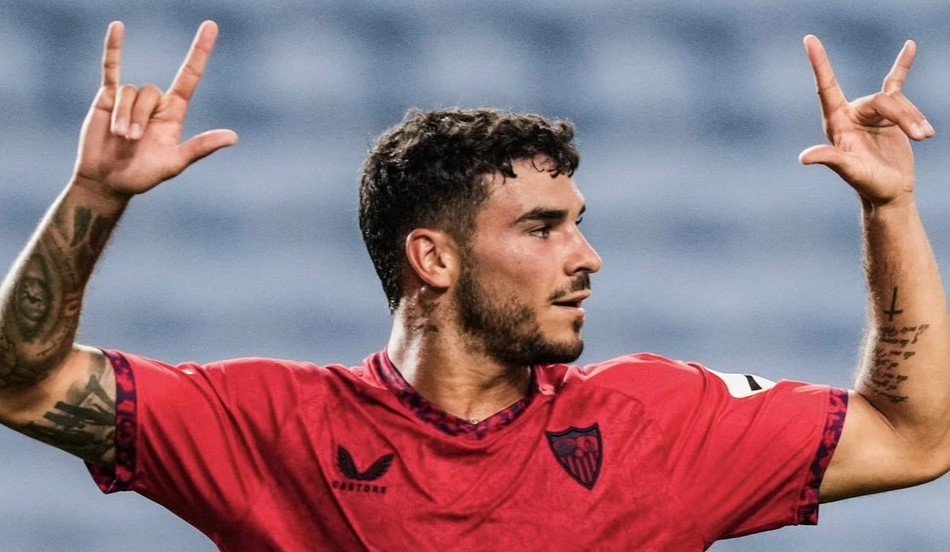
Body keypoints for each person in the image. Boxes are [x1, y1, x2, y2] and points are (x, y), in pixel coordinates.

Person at [0, 19, 947, 551]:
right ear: (435, 260)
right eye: (543, 228)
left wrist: (890, 206)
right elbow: (23, 382)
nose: (588, 257)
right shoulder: (270, 427)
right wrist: (95, 195)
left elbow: (913, 440)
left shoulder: (658, 424)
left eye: (580, 223)